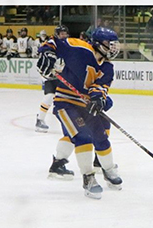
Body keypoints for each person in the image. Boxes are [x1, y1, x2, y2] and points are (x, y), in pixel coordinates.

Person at [37, 27, 122, 198]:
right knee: (83, 136)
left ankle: (108, 169)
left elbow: (100, 86)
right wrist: (47, 52)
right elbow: (54, 42)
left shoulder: (107, 67)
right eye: (109, 44)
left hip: (84, 105)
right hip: (65, 103)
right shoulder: (79, 48)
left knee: (101, 136)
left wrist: (97, 99)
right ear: (98, 44)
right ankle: (88, 178)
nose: (113, 48)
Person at [36, 24, 69, 132]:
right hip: (49, 75)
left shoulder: (67, 44)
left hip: (61, 74)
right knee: (49, 96)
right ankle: (40, 120)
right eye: (61, 34)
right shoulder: (51, 43)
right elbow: (43, 50)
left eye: (65, 33)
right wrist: (50, 64)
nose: (64, 36)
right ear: (57, 35)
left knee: (68, 98)